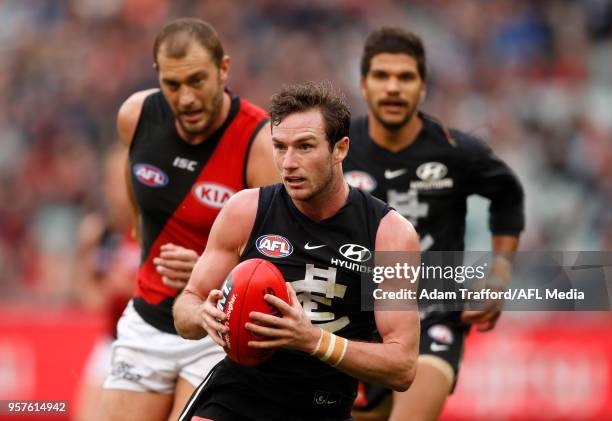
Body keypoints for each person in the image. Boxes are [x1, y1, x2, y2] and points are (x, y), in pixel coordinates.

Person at [173, 81, 421, 421]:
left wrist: (313, 340)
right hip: (237, 397)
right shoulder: (245, 210)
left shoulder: (390, 234)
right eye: (280, 147)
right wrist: (201, 313)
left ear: (340, 149)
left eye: (305, 147)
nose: (288, 163)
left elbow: (403, 367)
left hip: (323, 408)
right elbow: (186, 308)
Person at [99, 18, 279, 421]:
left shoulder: (259, 144)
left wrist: (209, 269)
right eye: (173, 85)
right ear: (157, 78)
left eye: (197, 81)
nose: (186, 98)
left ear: (224, 69)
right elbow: (137, 196)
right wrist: (143, 241)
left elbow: (278, 254)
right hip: (145, 323)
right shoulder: (135, 116)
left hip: (214, 330)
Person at [344, 28, 525, 421]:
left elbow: (508, 197)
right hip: (357, 319)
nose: (393, 88)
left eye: (405, 77)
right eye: (382, 76)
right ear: (363, 84)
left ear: (422, 87)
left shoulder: (457, 151)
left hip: (434, 312)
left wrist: (499, 275)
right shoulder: (338, 149)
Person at [74, 143, 140, 421]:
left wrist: (131, 290)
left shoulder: (154, 231)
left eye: (121, 182)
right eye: (110, 182)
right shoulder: (102, 234)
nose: (114, 192)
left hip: (146, 343)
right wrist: (86, 257)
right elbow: (89, 297)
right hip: (111, 342)